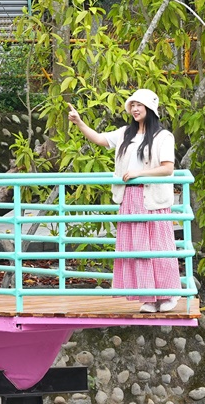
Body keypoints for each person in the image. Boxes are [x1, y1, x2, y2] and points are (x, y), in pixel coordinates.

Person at [67, 89, 181, 313]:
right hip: (130, 198)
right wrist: (80, 122)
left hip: (152, 199)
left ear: (150, 108)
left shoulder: (163, 136)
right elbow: (100, 139)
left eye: (140, 105)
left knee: (158, 246)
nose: (135, 109)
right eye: (133, 105)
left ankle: (169, 295)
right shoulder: (125, 133)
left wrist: (139, 174)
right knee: (137, 249)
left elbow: (168, 168)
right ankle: (149, 296)